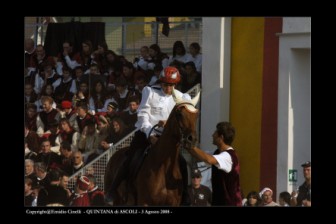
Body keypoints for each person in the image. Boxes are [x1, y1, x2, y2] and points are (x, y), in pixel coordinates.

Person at [108, 66, 191, 204]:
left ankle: (185, 195)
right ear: (161, 82)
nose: (168, 88)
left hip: (168, 138)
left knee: (181, 162)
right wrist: (150, 133)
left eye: (171, 85)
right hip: (146, 133)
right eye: (165, 84)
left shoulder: (182, 97)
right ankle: (114, 189)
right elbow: (142, 114)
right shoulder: (150, 91)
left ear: (175, 84)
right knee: (132, 157)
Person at [183, 121, 242, 206]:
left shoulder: (228, 156)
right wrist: (186, 143)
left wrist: (191, 145)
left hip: (229, 203)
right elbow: (200, 155)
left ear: (221, 137)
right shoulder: (217, 153)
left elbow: (208, 159)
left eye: (215, 133)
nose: (212, 135)